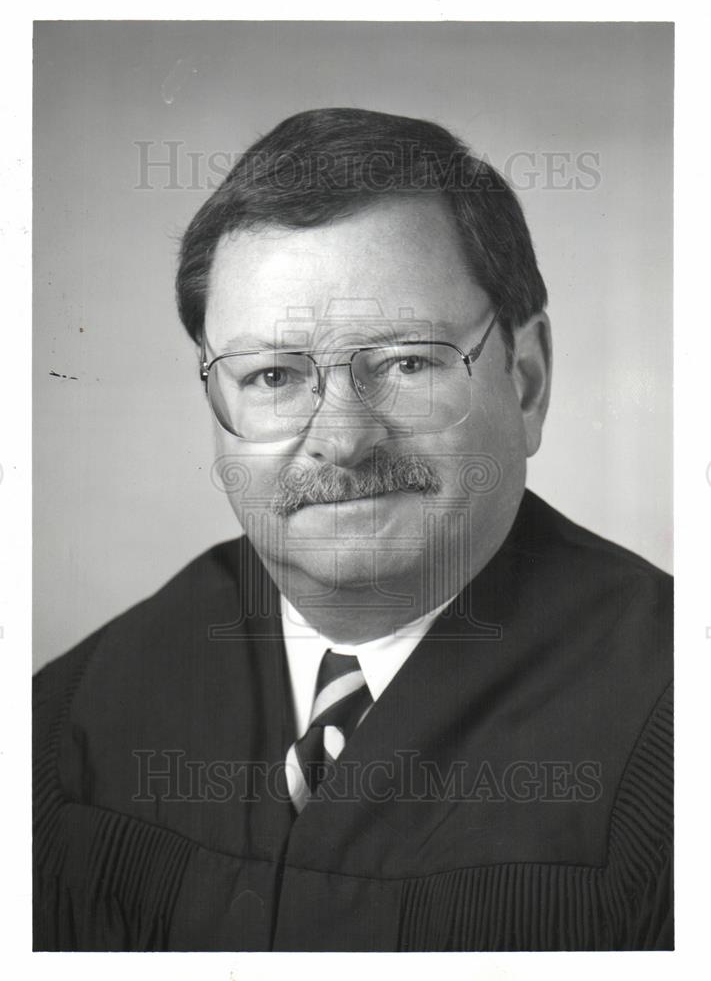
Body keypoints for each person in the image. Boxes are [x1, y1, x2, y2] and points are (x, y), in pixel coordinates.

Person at [33, 108, 673, 951]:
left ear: (524, 380)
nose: (341, 438)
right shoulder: (69, 719)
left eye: (406, 362)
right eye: (272, 376)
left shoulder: (675, 732)